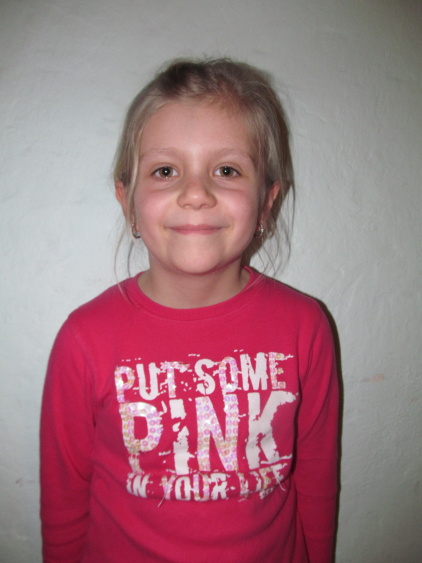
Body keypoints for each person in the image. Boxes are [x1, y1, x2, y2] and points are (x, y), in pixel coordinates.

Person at [40, 58, 339, 563]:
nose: (196, 194)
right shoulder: (85, 339)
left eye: (226, 170)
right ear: (128, 202)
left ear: (266, 203)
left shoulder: (305, 326)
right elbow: (64, 502)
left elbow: (316, 480)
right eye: (165, 171)